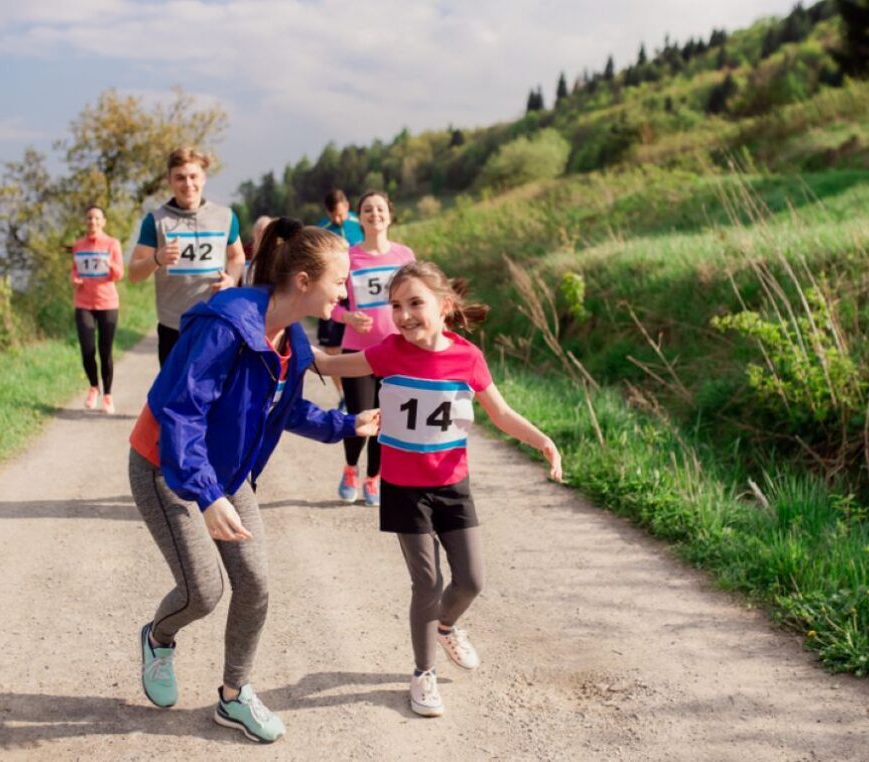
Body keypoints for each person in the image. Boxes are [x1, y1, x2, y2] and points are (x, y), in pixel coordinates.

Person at [126, 219, 379, 743]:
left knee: (256, 585)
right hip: (165, 466)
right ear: (304, 281)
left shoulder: (292, 338)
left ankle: (233, 695)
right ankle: (159, 637)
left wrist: (345, 425)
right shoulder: (226, 323)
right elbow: (181, 412)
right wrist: (208, 494)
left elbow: (284, 407)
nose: (345, 291)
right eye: (340, 280)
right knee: (204, 591)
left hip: (225, 468)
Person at [314, 261, 562, 718]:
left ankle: (446, 626)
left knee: (471, 580)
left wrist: (543, 441)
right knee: (427, 582)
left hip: (452, 486)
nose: (404, 315)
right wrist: (283, 335)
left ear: (444, 307)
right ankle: (423, 673)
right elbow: (328, 362)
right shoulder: (388, 351)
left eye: (414, 303)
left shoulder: (467, 357)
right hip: (404, 488)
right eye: (396, 306)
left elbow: (502, 414)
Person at [329, 191, 416, 507]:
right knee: (359, 419)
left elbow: (417, 299)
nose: (374, 214)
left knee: (386, 421)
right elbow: (331, 303)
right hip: (358, 354)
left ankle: (373, 479)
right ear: (359, 217)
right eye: (368, 209)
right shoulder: (349, 257)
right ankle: (350, 468)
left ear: (389, 215)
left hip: (397, 352)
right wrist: (347, 316)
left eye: (380, 209)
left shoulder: (405, 256)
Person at [127, 146, 247, 366]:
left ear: (203, 178)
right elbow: (134, 274)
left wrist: (231, 279)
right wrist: (157, 259)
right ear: (169, 180)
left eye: (193, 176)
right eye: (180, 178)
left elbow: (237, 257)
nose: (188, 184)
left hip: (215, 322)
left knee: (213, 396)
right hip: (174, 327)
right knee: (173, 397)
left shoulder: (225, 217)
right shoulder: (156, 221)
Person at [71, 205, 124, 414]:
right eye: (89, 218)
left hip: (107, 303)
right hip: (83, 303)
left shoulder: (112, 243)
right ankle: (94, 387)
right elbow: (74, 271)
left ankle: (108, 395)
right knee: (87, 351)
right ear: (86, 222)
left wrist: (109, 263)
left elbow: (120, 274)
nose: (92, 222)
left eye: (96, 218)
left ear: (103, 222)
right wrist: (74, 279)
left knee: (105, 351)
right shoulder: (78, 245)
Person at [314, 190, 363, 404]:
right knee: (332, 347)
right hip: (334, 291)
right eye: (334, 216)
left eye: (341, 214)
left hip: (359, 291)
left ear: (347, 205)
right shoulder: (322, 229)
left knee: (359, 342)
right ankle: (343, 394)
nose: (338, 219)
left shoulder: (360, 222)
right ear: (327, 212)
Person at [242, 215, 273, 285]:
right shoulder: (244, 251)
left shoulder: (276, 253)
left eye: (267, 232)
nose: (262, 235)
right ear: (253, 232)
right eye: (260, 231)